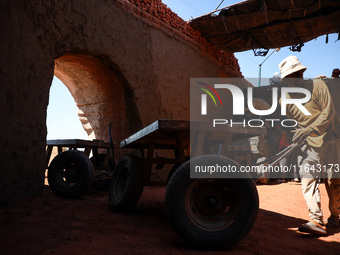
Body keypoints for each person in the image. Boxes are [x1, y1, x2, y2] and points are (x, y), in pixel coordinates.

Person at [278, 56, 340, 235]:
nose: (296, 78)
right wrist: (299, 133)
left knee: (334, 181)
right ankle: (316, 220)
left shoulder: (319, 86)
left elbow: (328, 114)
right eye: (291, 76)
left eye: (298, 74)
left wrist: (309, 128)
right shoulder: (285, 101)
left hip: (331, 138)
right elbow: (295, 122)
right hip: (310, 144)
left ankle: (335, 216)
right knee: (308, 178)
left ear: (302, 73)